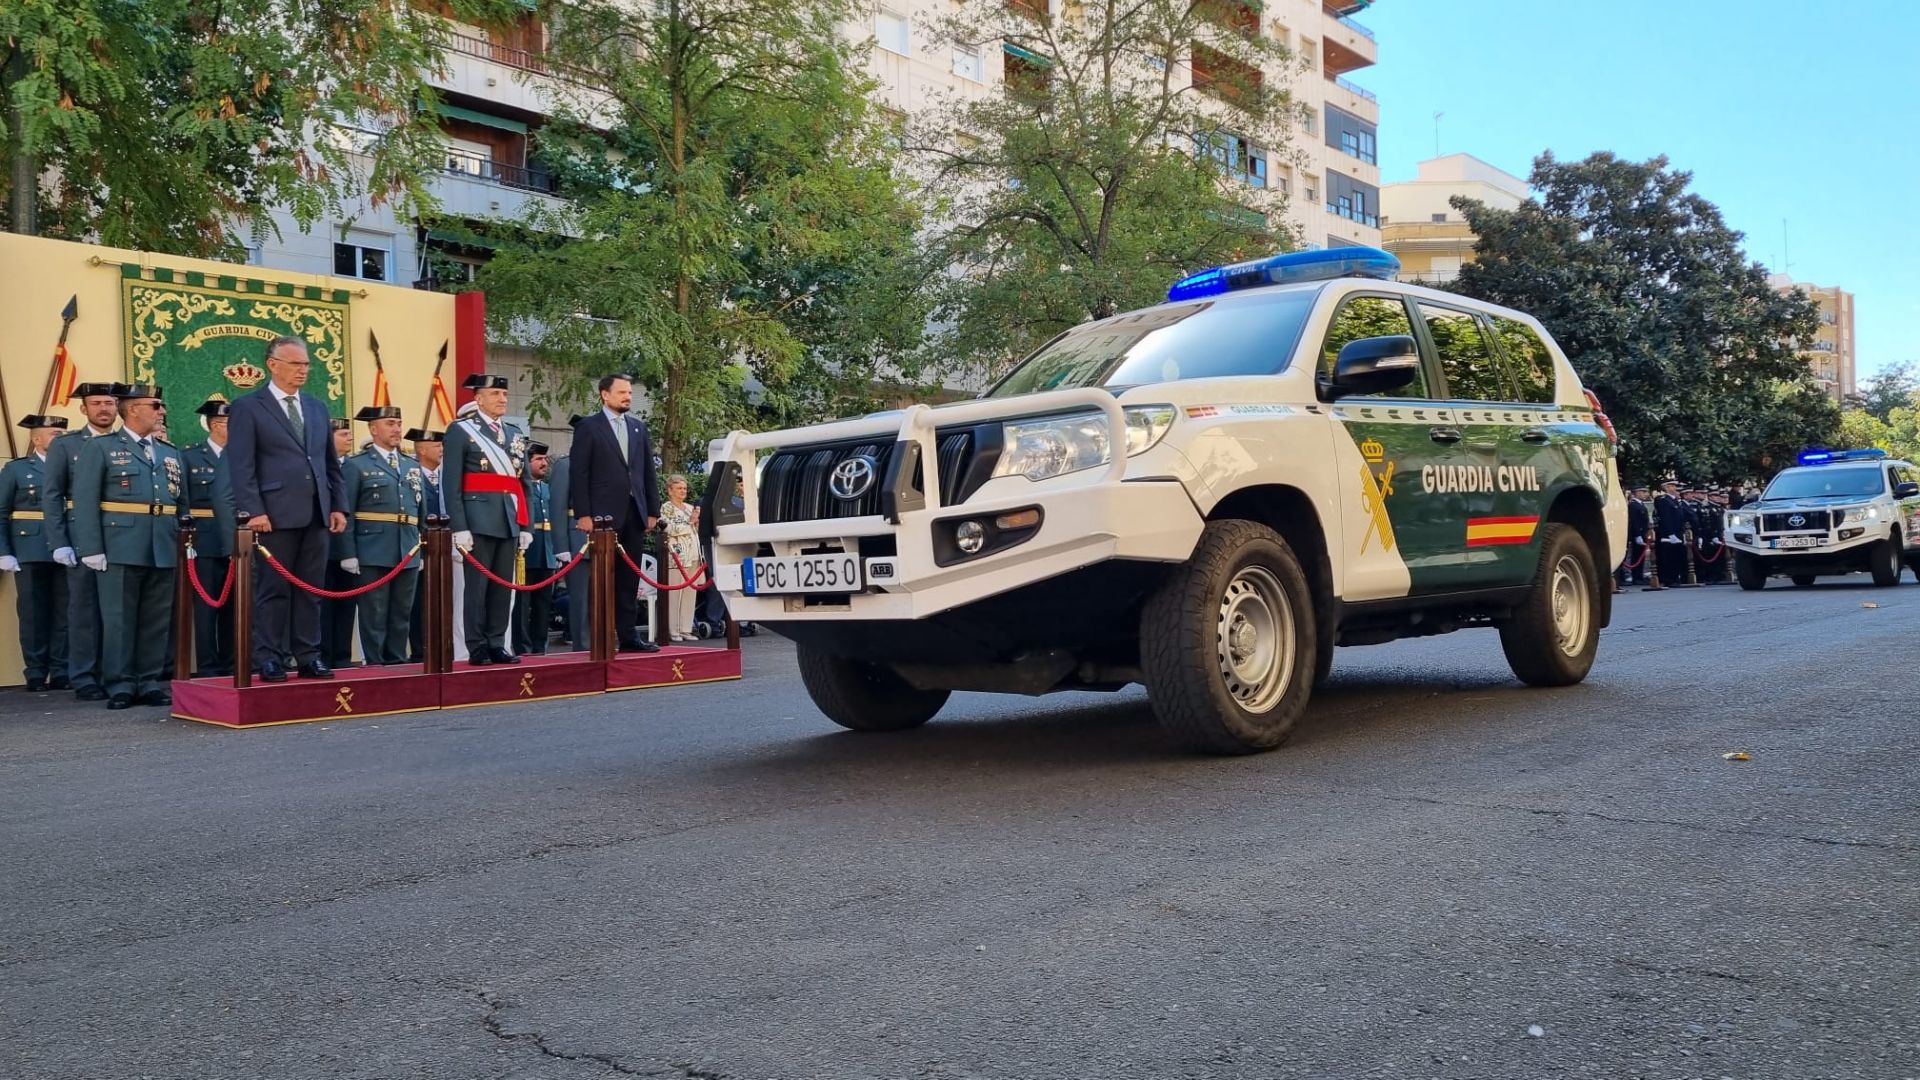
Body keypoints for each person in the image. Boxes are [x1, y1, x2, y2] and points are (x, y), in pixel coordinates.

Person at [226, 335, 348, 682]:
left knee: (310, 588)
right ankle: (269, 657)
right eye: (295, 364)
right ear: (273, 364)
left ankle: (308, 654)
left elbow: (329, 462)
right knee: (273, 589)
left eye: (306, 364)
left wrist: (337, 505)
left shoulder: (316, 407)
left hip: (316, 511)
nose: (303, 370)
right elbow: (241, 465)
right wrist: (253, 510)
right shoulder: (249, 406)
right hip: (273, 514)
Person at [69, 383, 182, 709]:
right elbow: (86, 501)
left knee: (155, 619)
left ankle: (147, 680)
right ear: (133, 408)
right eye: (156, 405)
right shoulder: (102, 447)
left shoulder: (168, 451)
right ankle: (119, 683)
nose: (161, 411)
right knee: (119, 618)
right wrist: (91, 547)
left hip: (161, 543)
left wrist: (183, 543)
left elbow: (180, 503)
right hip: (119, 544)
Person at [564, 375, 661, 653]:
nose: (627, 396)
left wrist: (652, 510)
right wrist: (583, 513)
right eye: (621, 392)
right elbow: (579, 473)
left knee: (630, 577)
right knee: (603, 577)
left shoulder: (638, 428)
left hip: (634, 512)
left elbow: (647, 473)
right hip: (602, 516)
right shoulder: (588, 427)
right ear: (604, 395)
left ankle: (629, 635)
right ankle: (602, 635)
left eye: (629, 392)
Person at [445, 373, 533, 665]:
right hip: (477, 519)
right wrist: (459, 527)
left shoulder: (514, 434)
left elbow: (525, 485)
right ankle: (477, 645)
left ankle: (497, 642)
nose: (502, 399)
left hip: (509, 519)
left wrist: (526, 525)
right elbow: (451, 483)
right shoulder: (461, 431)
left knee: (502, 587)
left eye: (504, 395)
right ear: (478, 398)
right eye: (495, 394)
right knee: (477, 588)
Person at [42, 381, 122, 700]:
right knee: (84, 609)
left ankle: (114, 673)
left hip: (120, 537)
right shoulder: (67, 445)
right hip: (81, 537)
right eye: (97, 403)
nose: (104, 408)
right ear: (83, 409)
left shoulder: (125, 442)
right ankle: (85, 675)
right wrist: (58, 541)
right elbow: (52, 495)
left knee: (116, 610)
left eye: (109, 403)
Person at [339, 406, 424, 666]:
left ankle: (396, 661)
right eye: (390, 423)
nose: (397, 429)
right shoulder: (357, 464)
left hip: (407, 548)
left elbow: (420, 510)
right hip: (372, 548)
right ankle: (375, 665)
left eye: (398, 423)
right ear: (373, 428)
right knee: (374, 612)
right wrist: (348, 553)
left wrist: (420, 546)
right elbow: (346, 512)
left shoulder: (411, 465)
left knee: (401, 612)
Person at [1, 415, 71, 690]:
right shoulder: (17, 470)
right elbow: (1, 512)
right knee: (32, 614)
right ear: (36, 438)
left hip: (65, 549)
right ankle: (36, 670)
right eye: (55, 433)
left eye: (63, 434)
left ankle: (61, 669)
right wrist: (4, 551)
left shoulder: (72, 468)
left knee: (64, 612)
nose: (60, 439)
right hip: (29, 550)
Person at [182, 396, 238, 677]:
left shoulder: (243, 456)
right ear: (216, 425)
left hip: (238, 539)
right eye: (230, 424)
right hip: (204, 539)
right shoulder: (189, 456)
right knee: (206, 608)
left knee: (235, 606)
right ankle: (207, 666)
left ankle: (231, 663)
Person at [546, 436, 591, 651]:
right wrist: (561, 546)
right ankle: (583, 646)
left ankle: (602, 643)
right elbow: (557, 507)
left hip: (601, 539)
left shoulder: (603, 466)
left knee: (601, 596)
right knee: (580, 599)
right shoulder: (566, 465)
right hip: (576, 539)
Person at [512, 442, 557, 656]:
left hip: (545, 551)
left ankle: (540, 646)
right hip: (526, 551)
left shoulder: (546, 488)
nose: (544, 463)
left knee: (543, 603)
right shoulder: (520, 486)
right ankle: (523, 646)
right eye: (538, 459)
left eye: (545, 459)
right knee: (522, 604)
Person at [405, 428, 445, 664]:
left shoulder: (446, 476)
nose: (441, 449)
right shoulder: (411, 474)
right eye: (436, 445)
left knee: (443, 600)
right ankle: (420, 650)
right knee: (418, 602)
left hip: (448, 548)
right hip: (419, 546)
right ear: (421, 449)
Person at [323, 416, 358, 667]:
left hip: (349, 546)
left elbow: (353, 512)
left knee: (347, 606)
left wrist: (349, 550)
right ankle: (322, 657)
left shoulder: (354, 467)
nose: (350, 438)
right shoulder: (318, 466)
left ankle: (342, 659)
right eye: (344, 434)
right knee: (321, 607)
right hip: (322, 547)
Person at [660, 474, 702, 642]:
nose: (683, 491)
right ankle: (673, 630)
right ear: (670, 490)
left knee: (690, 593)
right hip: (676, 555)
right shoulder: (666, 508)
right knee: (675, 593)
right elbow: (668, 528)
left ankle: (686, 628)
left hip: (693, 555)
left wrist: (697, 523)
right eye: (679, 488)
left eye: (684, 488)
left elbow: (696, 530)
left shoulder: (689, 507)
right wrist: (690, 522)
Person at [1653, 478, 1690, 587]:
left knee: (1675, 557)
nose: (1674, 488)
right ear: (1666, 487)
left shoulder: (1674, 501)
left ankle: (1674, 578)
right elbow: (1666, 518)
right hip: (1669, 534)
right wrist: (1670, 533)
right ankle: (1668, 579)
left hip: (1677, 532)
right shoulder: (1664, 500)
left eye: (1674, 486)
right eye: (1672, 486)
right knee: (1669, 558)